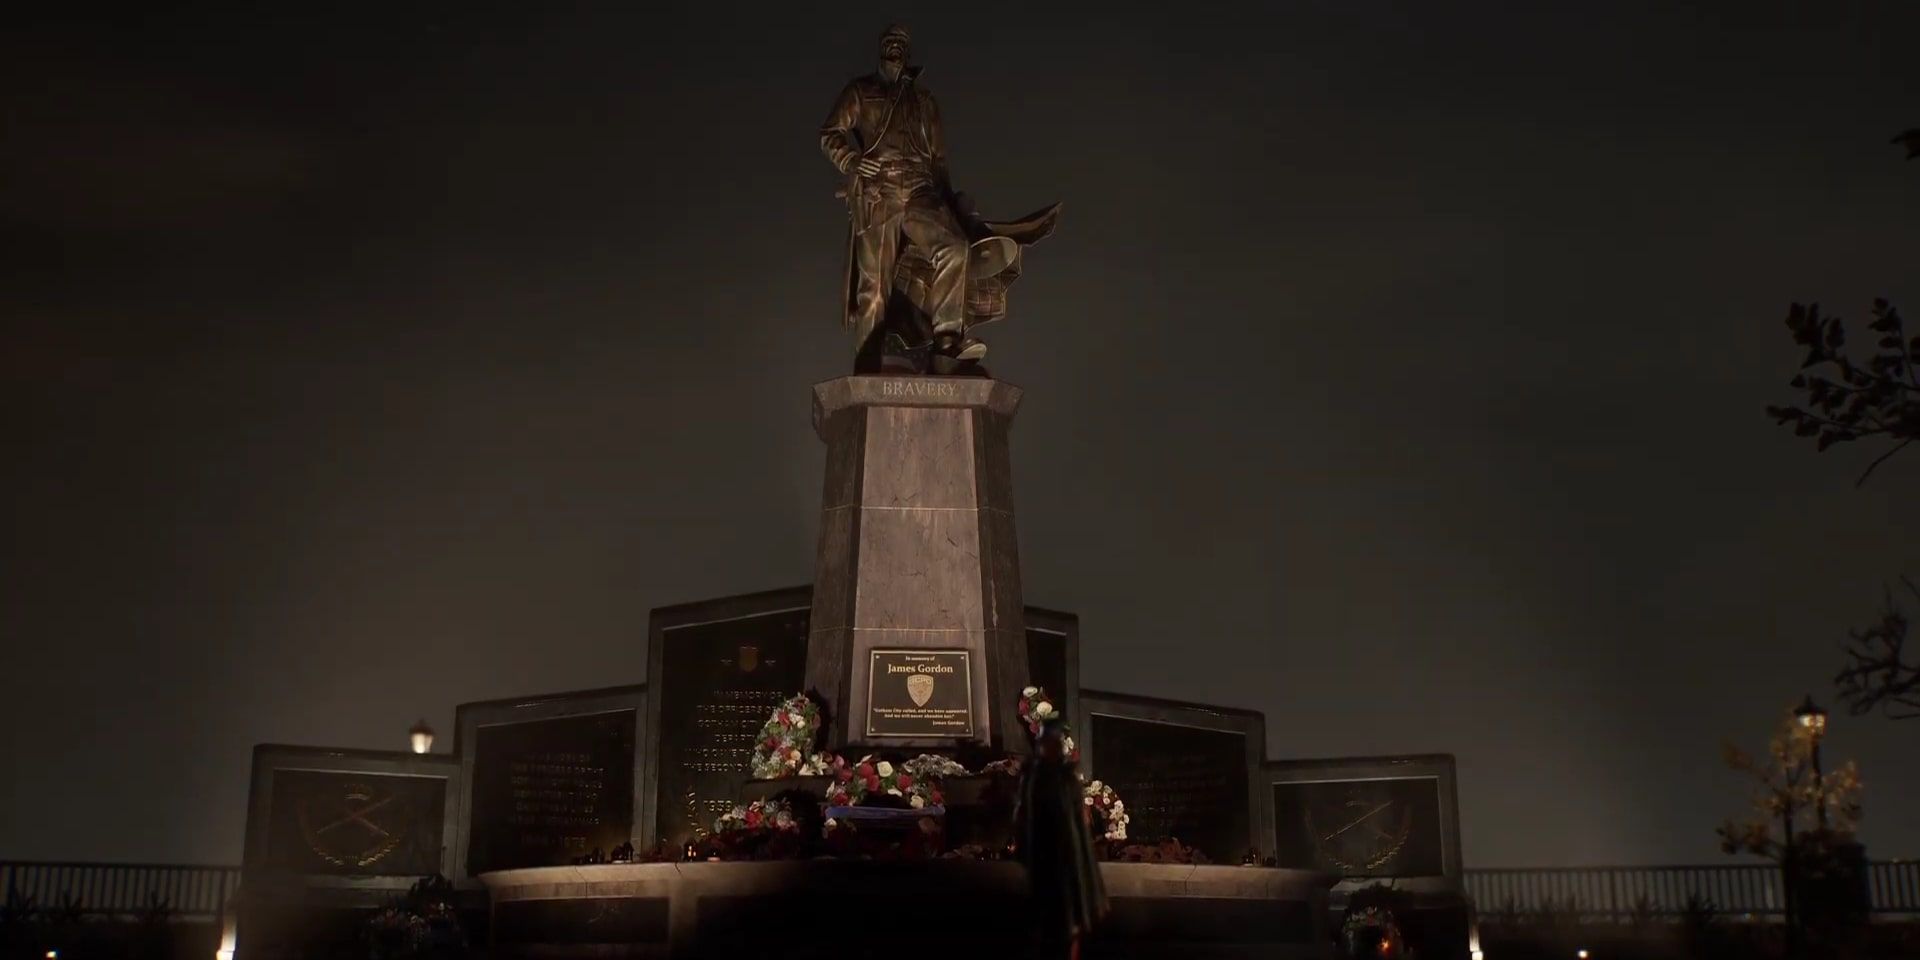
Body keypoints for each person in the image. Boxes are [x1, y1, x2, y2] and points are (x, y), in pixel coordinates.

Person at [1015, 717, 1108, 959]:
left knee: (1071, 925)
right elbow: (1025, 816)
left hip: (1069, 859)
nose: (1054, 747)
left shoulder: (1066, 778)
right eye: (1049, 742)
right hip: (1046, 859)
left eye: (1056, 742)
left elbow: (1077, 821)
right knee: (1049, 925)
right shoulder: (1034, 777)